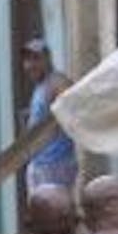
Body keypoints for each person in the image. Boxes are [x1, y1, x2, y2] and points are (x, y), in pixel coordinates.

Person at [23, 38, 77, 191]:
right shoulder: (40, 87)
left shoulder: (57, 82)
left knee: (54, 208)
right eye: (27, 60)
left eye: (36, 59)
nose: (30, 65)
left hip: (55, 163)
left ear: (47, 59)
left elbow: (73, 105)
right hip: (39, 162)